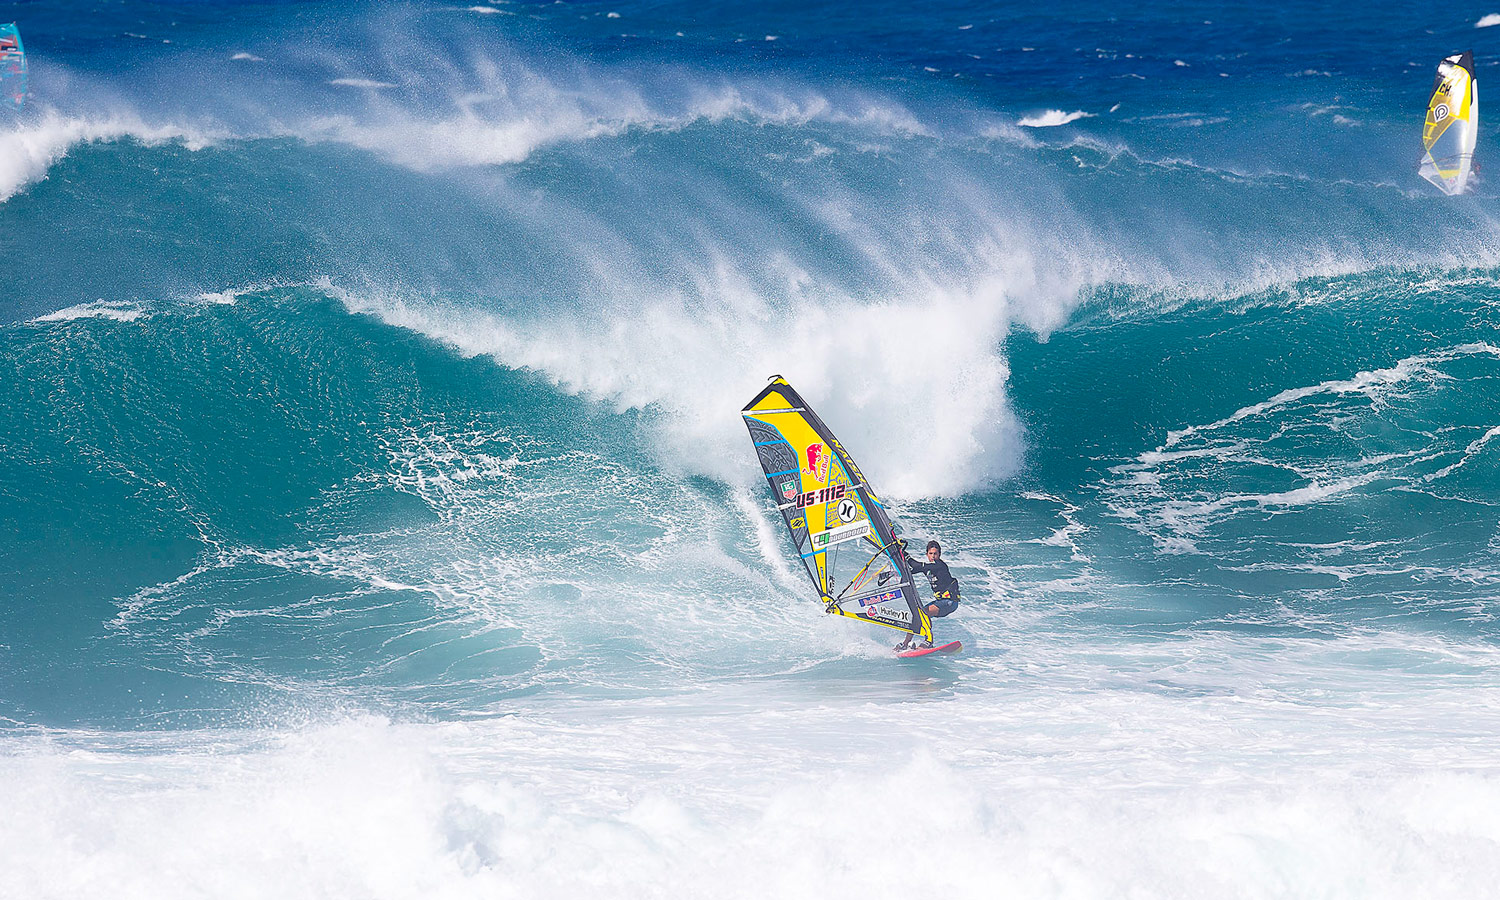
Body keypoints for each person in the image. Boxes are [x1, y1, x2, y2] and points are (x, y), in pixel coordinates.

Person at [894, 539, 961, 650]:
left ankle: (929, 641)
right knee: (918, 614)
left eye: (935, 553)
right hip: (940, 602)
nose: (933, 556)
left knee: (922, 613)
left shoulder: (940, 565)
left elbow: (917, 564)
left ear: (939, 554)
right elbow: (913, 569)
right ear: (927, 554)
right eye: (930, 554)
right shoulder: (929, 567)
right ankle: (905, 644)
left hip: (950, 602)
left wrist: (906, 555)